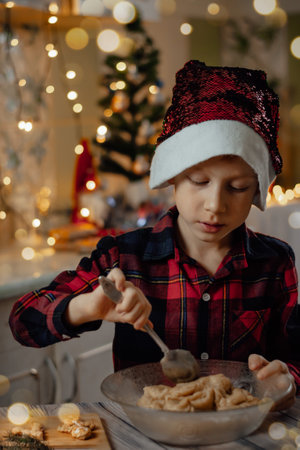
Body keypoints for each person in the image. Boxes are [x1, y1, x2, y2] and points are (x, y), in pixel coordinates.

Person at [9, 60, 299, 410]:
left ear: (257, 191)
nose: (215, 205)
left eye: (237, 188)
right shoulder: (124, 256)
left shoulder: (274, 261)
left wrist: (286, 376)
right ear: (173, 177)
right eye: (199, 182)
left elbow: (293, 355)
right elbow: (23, 321)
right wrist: (88, 307)